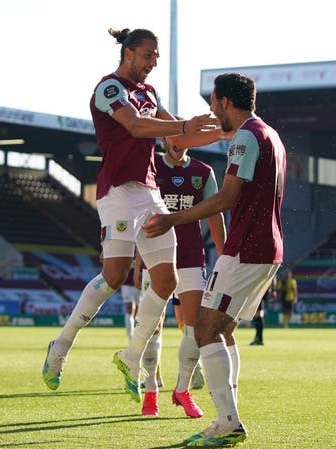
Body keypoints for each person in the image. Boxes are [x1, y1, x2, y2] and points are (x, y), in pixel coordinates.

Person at [41, 27, 221, 392]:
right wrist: (184, 124)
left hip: (150, 192)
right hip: (118, 192)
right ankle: (60, 346)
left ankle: (131, 354)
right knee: (114, 275)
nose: (153, 62)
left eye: (157, 56)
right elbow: (138, 127)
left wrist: (224, 132)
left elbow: (178, 137)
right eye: (148, 55)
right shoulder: (110, 89)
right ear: (128, 54)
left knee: (166, 281)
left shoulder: (149, 93)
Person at [143, 72, 286, 447]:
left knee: (204, 329)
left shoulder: (246, 138)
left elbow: (225, 199)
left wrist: (172, 219)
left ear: (224, 101)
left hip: (246, 249)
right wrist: (181, 127)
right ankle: (228, 415)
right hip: (265, 249)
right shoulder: (267, 134)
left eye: (213, 101)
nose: (210, 107)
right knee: (220, 330)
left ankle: (227, 421)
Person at [137, 135, 226, 417]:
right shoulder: (149, 166)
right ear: (164, 140)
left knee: (196, 325)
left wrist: (224, 257)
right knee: (153, 326)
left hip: (190, 257)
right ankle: (151, 391)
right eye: (174, 138)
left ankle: (182, 390)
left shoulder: (203, 172)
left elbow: (215, 216)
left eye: (184, 138)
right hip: (155, 257)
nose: (178, 143)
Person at [250, 275, 276, 345]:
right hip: (263, 288)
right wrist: (273, 290)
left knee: (258, 314)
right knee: (258, 314)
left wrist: (273, 290)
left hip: (261, 288)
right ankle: (258, 338)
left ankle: (259, 339)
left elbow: (273, 276)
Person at [121, 265, 140, 342]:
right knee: (130, 309)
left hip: (141, 284)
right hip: (127, 284)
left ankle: (137, 336)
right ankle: (131, 337)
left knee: (138, 312)